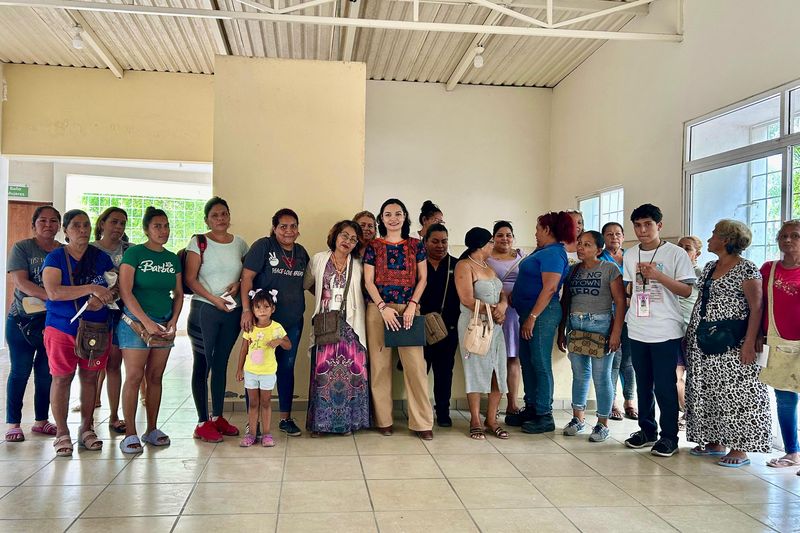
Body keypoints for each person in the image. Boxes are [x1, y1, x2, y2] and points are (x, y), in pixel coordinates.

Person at [684, 220, 770, 467]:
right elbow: (701, 301)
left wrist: (749, 342)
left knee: (738, 393)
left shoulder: (747, 269)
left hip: (734, 340)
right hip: (704, 337)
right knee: (709, 389)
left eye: (714, 234)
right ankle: (715, 440)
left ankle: (740, 448)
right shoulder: (711, 266)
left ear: (726, 239)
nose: (709, 238)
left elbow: (757, 307)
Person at [622, 204, 695, 457]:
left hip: (666, 329)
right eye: (637, 225)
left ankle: (669, 437)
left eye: (647, 225)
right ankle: (646, 430)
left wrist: (658, 276)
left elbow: (687, 290)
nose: (642, 230)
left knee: (665, 384)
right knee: (643, 383)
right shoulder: (630, 255)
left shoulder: (675, 254)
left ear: (659, 226)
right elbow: (630, 289)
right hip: (638, 327)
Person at [42, 209, 116, 456]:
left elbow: (114, 290)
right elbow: (54, 292)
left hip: (96, 328)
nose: (82, 230)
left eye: (86, 225)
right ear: (65, 230)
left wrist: (103, 299)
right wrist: (91, 288)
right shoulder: (55, 258)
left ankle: (87, 428)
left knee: (90, 377)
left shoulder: (101, 258)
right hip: (62, 328)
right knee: (62, 378)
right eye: (76, 226)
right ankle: (62, 432)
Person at [363, 198, 433, 440]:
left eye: (397, 213)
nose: (393, 218)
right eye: (387, 214)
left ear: (405, 216)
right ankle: (384, 420)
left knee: (415, 367)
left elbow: (423, 279)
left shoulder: (416, 245)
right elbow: (368, 281)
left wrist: (412, 305)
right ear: (381, 218)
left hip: (409, 310)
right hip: (379, 310)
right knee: (380, 367)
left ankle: (422, 422)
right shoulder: (373, 246)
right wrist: (382, 307)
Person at [116, 207, 183, 454]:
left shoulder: (172, 258)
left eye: (165, 226)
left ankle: (152, 429)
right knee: (134, 376)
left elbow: (177, 294)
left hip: (163, 324)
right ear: (146, 229)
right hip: (135, 323)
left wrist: (174, 321)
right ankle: (130, 433)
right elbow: (125, 291)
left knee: (155, 377)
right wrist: (145, 321)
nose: (163, 231)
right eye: (157, 226)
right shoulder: (134, 254)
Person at [241, 208, 309, 437]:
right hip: (262, 323)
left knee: (286, 368)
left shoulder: (301, 253)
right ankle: (253, 422)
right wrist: (246, 310)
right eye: (283, 226)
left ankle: (285, 419)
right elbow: (247, 278)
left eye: (293, 226)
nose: (288, 231)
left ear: (298, 230)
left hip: (291, 323)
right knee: (256, 366)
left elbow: (309, 283)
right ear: (274, 228)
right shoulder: (264, 246)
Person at [186, 197, 248, 443]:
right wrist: (214, 299)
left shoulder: (240, 244)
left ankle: (218, 417)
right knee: (203, 364)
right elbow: (191, 279)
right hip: (205, 311)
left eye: (224, 214)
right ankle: (202, 422)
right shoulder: (199, 243)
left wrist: (239, 284)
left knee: (221, 363)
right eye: (215, 215)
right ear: (207, 220)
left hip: (231, 311)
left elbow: (248, 274)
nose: (221, 219)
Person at [507, 211, 576, 434]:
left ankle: (545, 415)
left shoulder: (554, 254)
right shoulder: (543, 251)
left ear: (547, 229)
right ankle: (532, 407)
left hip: (542, 314)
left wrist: (533, 318)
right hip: (527, 312)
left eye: (538, 228)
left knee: (540, 362)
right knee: (527, 361)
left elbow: (550, 288)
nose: (535, 232)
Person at [557, 231, 625, 442]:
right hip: (576, 325)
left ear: (598, 249)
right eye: (579, 244)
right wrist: (562, 330)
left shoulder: (609, 269)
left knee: (602, 376)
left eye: (587, 245)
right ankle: (578, 419)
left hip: (602, 325)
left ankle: (602, 424)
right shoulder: (572, 270)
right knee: (579, 374)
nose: (580, 248)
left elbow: (620, 302)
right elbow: (565, 301)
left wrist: (616, 333)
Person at [304, 220, 370, 435]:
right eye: (344, 236)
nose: (348, 241)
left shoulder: (359, 264)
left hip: (352, 325)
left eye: (353, 239)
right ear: (335, 235)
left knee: (352, 375)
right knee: (324, 374)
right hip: (326, 324)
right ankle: (321, 425)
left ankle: (348, 424)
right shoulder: (319, 259)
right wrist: (325, 301)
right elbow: (307, 283)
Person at [5, 206, 61, 442]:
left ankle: (41, 421)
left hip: (52, 323)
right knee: (20, 371)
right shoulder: (22, 248)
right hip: (22, 322)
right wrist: (54, 296)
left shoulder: (63, 251)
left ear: (59, 225)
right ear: (34, 224)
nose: (48, 225)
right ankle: (13, 423)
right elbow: (21, 282)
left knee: (46, 374)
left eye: (53, 221)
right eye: (43, 220)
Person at [455, 227, 510, 440]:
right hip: (476, 326)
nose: (493, 245)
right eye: (490, 242)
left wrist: (503, 307)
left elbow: (502, 293)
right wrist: (492, 311)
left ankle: (492, 419)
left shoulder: (488, 266)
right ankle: (475, 420)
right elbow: (466, 299)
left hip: (496, 328)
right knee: (476, 370)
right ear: (481, 244)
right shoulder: (464, 265)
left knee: (498, 371)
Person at [760, 220, 800, 470]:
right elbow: (758, 305)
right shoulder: (768, 269)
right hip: (777, 341)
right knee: (785, 400)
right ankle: (792, 452)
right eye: (783, 236)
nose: (787, 240)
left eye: (794, 235)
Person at [89, 206, 130, 434]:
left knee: (114, 365)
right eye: (114, 222)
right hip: (94, 314)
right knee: (92, 366)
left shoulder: (130, 250)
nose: (118, 227)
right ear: (102, 223)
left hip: (121, 313)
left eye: (122, 223)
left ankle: (114, 416)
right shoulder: (90, 250)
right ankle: (88, 420)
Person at [235, 290, 290, 447]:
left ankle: (266, 434)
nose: (262, 310)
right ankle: (251, 433)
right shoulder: (250, 327)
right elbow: (243, 349)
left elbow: (288, 345)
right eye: (258, 307)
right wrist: (239, 369)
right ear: (253, 309)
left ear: (273, 309)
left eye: (266, 306)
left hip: (267, 372)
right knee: (253, 403)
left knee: (265, 403)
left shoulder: (276, 327)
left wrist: (279, 341)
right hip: (251, 372)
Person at [419, 223, 460, 427]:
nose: (440, 246)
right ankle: (418, 412)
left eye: (444, 241)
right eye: (435, 241)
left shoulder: (457, 265)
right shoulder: (417, 265)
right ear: (425, 242)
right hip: (419, 328)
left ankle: (442, 412)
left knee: (445, 373)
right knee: (418, 372)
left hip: (448, 329)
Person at [486, 221, 525, 416]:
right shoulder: (486, 258)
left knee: (513, 358)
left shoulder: (521, 257)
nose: (505, 238)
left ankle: (512, 403)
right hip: (494, 312)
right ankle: (492, 406)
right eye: (500, 235)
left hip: (516, 313)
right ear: (493, 238)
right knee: (493, 359)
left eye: (508, 235)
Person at [601, 222, 637, 421]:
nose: (614, 237)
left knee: (629, 362)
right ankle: (612, 402)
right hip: (610, 315)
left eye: (617, 234)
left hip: (633, 315)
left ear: (623, 236)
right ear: (603, 238)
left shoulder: (632, 257)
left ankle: (630, 401)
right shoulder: (600, 258)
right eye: (609, 234)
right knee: (614, 358)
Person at [676, 235, 703, 430]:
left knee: (695, 378)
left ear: (697, 254)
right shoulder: (671, 272)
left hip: (693, 333)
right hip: (673, 332)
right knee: (674, 376)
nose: (683, 251)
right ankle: (687, 411)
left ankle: (694, 415)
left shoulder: (700, 272)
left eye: (688, 248)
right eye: (680, 247)